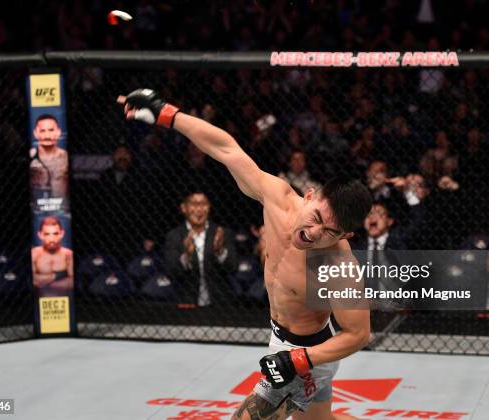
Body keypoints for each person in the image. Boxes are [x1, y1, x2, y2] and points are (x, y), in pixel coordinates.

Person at [118, 89, 372, 420]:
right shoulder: (277, 198)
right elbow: (225, 149)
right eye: (317, 218)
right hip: (280, 338)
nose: (314, 233)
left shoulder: (339, 267)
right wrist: (169, 115)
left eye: (330, 232)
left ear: (346, 236)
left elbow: (359, 334)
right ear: (308, 196)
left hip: (309, 354)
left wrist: (299, 360)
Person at [164, 191, 238, 307]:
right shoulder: (174, 236)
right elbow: (171, 271)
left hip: (219, 304)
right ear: (184, 208)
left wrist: (220, 252)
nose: (199, 209)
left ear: (209, 207)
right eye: (194, 204)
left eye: (203, 204)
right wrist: (186, 256)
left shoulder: (221, 233)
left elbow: (233, 267)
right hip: (186, 302)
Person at [31, 216, 73, 297]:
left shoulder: (68, 255)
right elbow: (33, 280)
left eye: (55, 233)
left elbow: (72, 282)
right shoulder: (34, 254)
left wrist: (44, 284)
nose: (51, 239)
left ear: (62, 234)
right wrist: (58, 275)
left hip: (63, 300)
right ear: (40, 235)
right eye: (47, 234)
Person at [29, 114, 69, 199]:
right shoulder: (30, 156)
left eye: (51, 130)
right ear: (35, 133)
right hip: (35, 204)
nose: (47, 136)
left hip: (63, 205)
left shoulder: (67, 157)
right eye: (42, 131)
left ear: (58, 132)